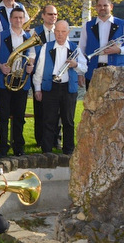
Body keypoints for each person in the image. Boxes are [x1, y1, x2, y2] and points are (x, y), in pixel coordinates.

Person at [33, 20, 87, 155]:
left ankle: (68, 151)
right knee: (48, 120)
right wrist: (38, 88)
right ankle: (47, 151)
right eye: (57, 31)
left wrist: (76, 65)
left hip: (68, 89)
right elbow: (39, 69)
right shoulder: (47, 47)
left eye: (63, 32)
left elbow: (84, 67)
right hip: (51, 87)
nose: (60, 34)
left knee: (68, 121)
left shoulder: (75, 48)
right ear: (54, 32)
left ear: (68, 33)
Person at [0, 7, 35, 157]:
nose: (18, 20)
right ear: (10, 19)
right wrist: (0, 66)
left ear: (24, 19)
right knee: (3, 117)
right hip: (3, 81)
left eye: (20, 18)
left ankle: (19, 147)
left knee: (19, 117)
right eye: (15, 17)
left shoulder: (29, 37)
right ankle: (3, 147)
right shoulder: (0, 36)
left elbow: (31, 58)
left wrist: (30, 67)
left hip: (21, 81)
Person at [79, 0, 124, 87]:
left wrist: (119, 50)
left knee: (115, 101)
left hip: (116, 71)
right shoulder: (88, 26)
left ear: (111, 7)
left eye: (105, 5)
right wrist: (80, 73)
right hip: (93, 71)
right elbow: (81, 50)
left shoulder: (121, 24)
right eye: (99, 5)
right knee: (93, 101)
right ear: (96, 7)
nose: (102, 8)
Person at [31, 5, 58, 147]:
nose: (52, 17)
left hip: (57, 74)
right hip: (39, 74)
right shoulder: (34, 32)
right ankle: (40, 139)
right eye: (49, 14)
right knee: (40, 108)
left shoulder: (59, 31)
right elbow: (30, 52)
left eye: (54, 14)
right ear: (43, 15)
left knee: (57, 109)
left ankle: (55, 139)